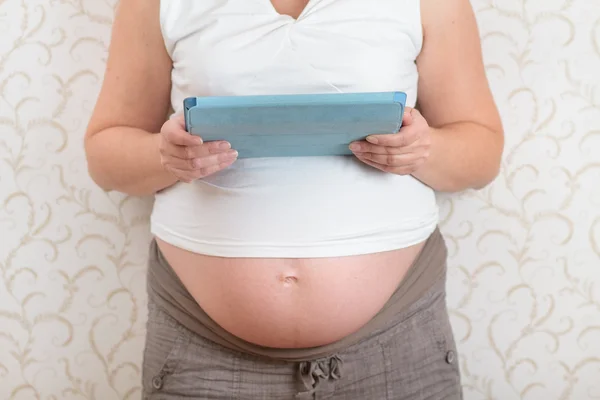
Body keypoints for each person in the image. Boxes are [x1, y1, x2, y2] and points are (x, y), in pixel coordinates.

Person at [84, 0, 504, 398]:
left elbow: (481, 154)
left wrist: (423, 149)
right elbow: (105, 158)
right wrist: (165, 154)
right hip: (202, 353)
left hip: (395, 342)